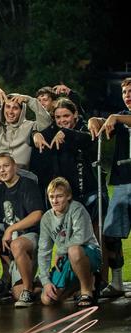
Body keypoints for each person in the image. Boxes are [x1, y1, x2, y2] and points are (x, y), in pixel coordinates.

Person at [0, 153, 44, 307]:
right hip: (11, 240)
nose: (2, 170)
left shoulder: (28, 184)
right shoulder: (1, 189)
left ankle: (29, 290)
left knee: (17, 245)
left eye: (6, 166)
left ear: (15, 167)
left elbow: (37, 214)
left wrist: (11, 229)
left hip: (30, 236)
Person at [88, 77, 131, 297]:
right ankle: (116, 283)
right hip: (123, 181)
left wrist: (116, 117)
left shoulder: (122, 117)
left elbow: (122, 119)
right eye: (124, 92)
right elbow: (104, 122)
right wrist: (94, 120)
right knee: (111, 233)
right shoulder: (120, 116)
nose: (128, 95)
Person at [38, 177, 101, 307]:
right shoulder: (46, 218)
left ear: (68, 196)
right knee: (48, 299)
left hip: (89, 252)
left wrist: (60, 251)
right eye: (51, 197)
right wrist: (45, 282)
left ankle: (86, 291)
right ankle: (84, 283)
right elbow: (44, 250)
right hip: (66, 258)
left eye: (59, 196)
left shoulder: (77, 209)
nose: (55, 200)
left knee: (74, 250)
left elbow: (80, 237)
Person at [0, 86, 52, 169]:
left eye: (15, 108)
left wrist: (29, 100)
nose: (10, 112)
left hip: (22, 177)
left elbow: (47, 122)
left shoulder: (30, 126)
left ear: (22, 111)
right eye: (8, 107)